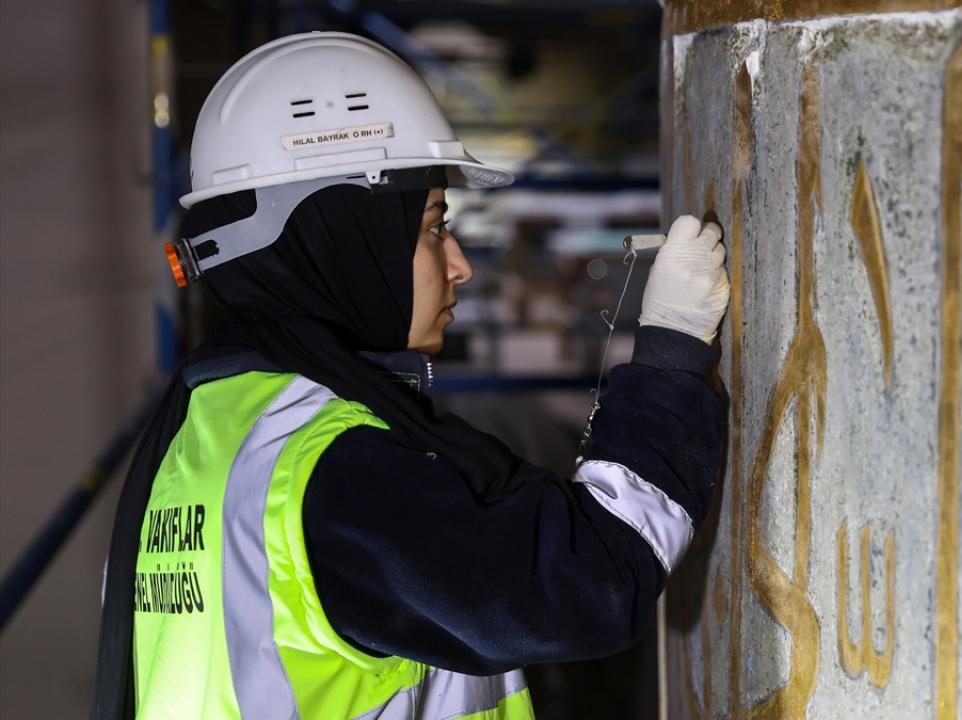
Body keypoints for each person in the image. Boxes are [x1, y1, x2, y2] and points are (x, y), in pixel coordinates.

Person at [90, 31, 729, 720]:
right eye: (430, 227)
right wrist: (671, 360)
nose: (459, 265)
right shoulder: (330, 470)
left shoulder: (197, 439)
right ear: (341, 236)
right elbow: (585, 586)